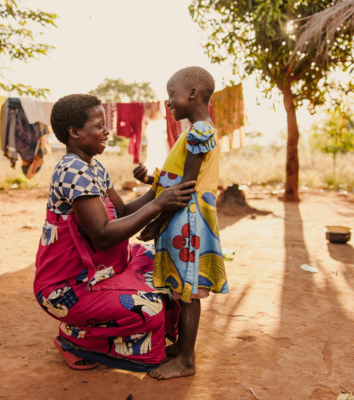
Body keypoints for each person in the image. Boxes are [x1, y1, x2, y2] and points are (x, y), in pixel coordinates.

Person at [33, 94, 197, 373]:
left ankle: (87, 327)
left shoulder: (93, 167)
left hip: (101, 271)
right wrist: (159, 203)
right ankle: (76, 339)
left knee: (165, 269)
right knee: (150, 308)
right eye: (98, 125)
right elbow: (103, 235)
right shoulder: (72, 170)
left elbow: (121, 211)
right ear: (74, 133)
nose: (107, 131)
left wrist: (156, 190)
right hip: (68, 286)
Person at [133, 66, 229, 380]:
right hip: (183, 220)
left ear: (193, 94)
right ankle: (182, 349)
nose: (169, 101)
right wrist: (150, 178)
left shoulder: (200, 131)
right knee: (181, 289)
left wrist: (157, 224)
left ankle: (187, 360)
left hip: (188, 221)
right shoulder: (192, 132)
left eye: (172, 94)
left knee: (188, 293)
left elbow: (187, 186)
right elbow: (176, 178)